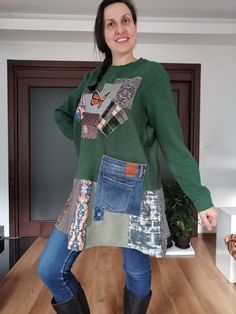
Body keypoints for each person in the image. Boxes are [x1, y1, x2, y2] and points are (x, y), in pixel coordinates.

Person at [37, 0, 218, 313]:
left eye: (126, 20)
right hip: (88, 187)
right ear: (103, 33)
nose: (120, 29)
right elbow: (63, 115)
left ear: (135, 26)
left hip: (132, 186)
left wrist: (201, 198)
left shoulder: (151, 74)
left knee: (136, 271)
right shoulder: (92, 79)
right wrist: (85, 145)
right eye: (111, 23)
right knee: (50, 269)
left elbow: (172, 142)